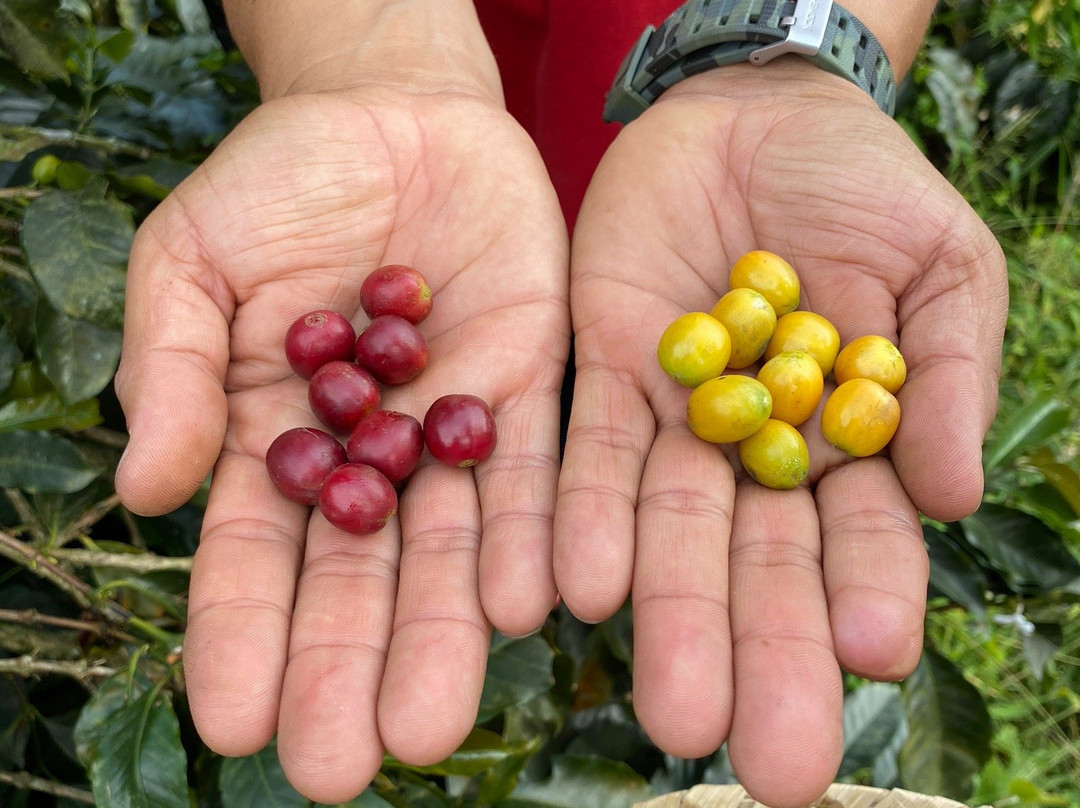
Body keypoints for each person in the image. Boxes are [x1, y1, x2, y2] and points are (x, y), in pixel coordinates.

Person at [112, 1, 1008, 806]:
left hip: (683, 138)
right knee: (554, 406)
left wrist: (788, 55)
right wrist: (363, 51)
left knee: (609, 397)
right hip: (450, 164)